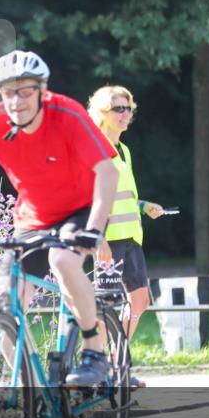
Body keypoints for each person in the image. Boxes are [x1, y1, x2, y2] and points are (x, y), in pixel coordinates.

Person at [0, 51, 119, 386]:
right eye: (8, 93)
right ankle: (36, 394)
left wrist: (94, 229)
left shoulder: (67, 114)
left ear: (42, 91)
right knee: (4, 302)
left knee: (62, 260)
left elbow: (107, 171)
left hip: (81, 208)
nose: (16, 101)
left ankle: (93, 349)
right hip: (33, 218)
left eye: (25, 91)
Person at [87, 85, 166, 387]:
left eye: (128, 109)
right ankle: (96, 367)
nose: (125, 114)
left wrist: (144, 206)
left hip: (132, 238)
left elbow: (122, 195)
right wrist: (99, 238)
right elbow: (91, 196)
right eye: (118, 109)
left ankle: (116, 364)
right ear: (102, 113)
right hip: (108, 241)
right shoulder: (95, 147)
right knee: (104, 306)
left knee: (140, 302)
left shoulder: (124, 150)